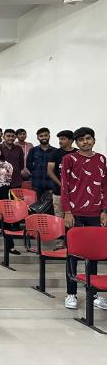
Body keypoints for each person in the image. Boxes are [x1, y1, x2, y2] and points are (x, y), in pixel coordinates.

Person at [61, 127, 107, 310]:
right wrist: (67, 212)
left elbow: (104, 186)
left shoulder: (101, 159)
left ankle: (93, 294)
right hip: (75, 213)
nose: (85, 142)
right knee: (72, 255)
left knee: (93, 255)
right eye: (81, 140)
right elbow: (64, 186)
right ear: (76, 142)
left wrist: (104, 210)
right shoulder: (69, 159)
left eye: (88, 138)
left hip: (95, 213)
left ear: (94, 140)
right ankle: (71, 294)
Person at [47, 130, 76, 222]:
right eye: (59, 139)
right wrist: (62, 185)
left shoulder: (77, 153)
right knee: (59, 216)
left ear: (71, 140)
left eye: (63, 139)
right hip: (58, 190)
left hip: (75, 191)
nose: (60, 141)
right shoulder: (55, 153)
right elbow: (50, 171)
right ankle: (60, 231)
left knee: (74, 216)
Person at [25, 127, 55, 198]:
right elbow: (28, 164)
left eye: (46, 135)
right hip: (37, 184)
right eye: (41, 136)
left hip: (51, 184)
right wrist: (35, 173)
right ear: (38, 138)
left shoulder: (55, 151)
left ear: (49, 136)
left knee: (50, 204)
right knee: (37, 203)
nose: (44, 137)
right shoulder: (33, 150)